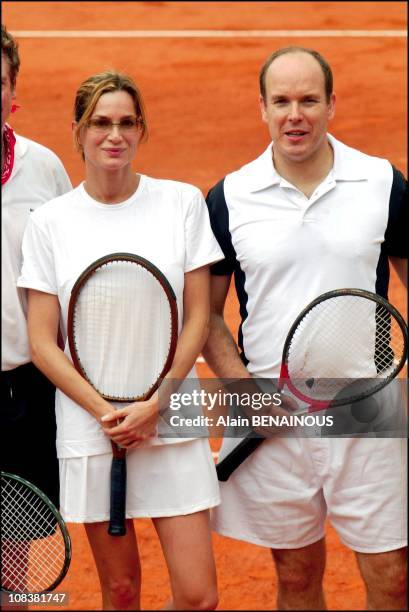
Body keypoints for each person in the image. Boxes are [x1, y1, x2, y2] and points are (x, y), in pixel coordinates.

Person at [203, 46, 407, 610]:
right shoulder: (228, 197)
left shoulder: (382, 184)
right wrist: (246, 393)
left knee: (393, 579)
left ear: (331, 104)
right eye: (282, 101)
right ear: (262, 109)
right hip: (273, 412)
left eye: (309, 100)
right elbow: (206, 317)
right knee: (295, 578)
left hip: (368, 408)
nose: (296, 114)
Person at [17, 69, 223, 611]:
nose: (114, 135)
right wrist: (107, 411)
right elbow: (43, 342)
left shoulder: (181, 203)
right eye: (100, 123)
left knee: (200, 597)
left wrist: (157, 404)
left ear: (141, 129)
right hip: (93, 425)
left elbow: (199, 317)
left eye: (127, 122)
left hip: (171, 416)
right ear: (78, 131)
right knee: (122, 592)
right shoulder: (51, 222)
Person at [1, 24, 72, 507]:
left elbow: (71, 268)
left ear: (12, 91)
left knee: (14, 545)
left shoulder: (43, 167)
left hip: (23, 386)